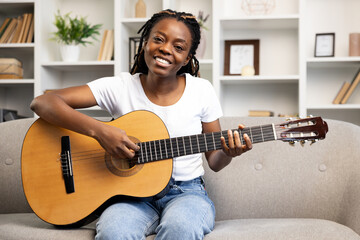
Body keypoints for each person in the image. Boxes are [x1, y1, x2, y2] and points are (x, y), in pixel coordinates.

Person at [30, 9, 252, 240]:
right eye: (158, 39)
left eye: (178, 47)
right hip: (129, 197)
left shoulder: (202, 90)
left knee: (180, 228)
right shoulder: (120, 87)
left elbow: (215, 161)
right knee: (114, 232)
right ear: (145, 42)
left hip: (186, 192)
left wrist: (229, 153)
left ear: (187, 58)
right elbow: (42, 103)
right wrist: (100, 131)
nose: (166, 49)